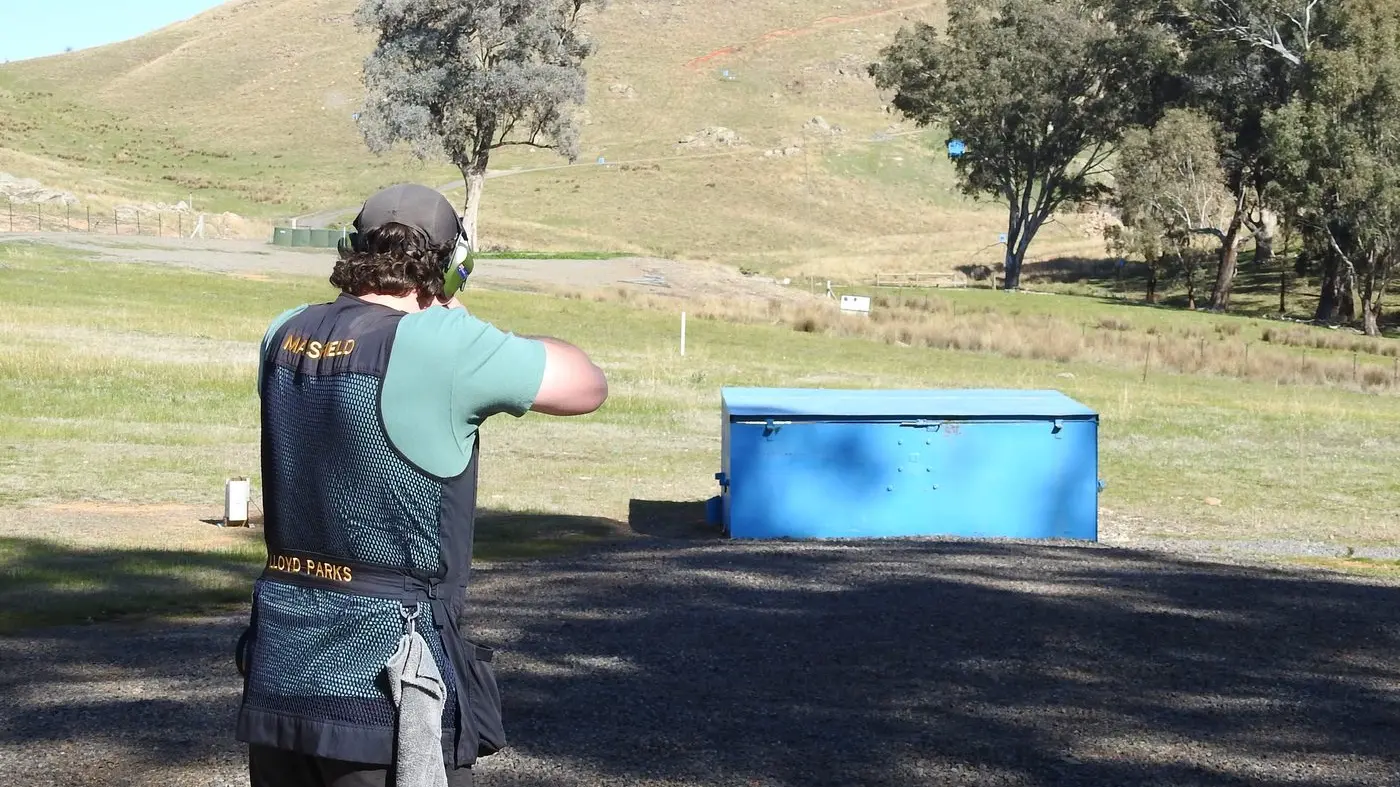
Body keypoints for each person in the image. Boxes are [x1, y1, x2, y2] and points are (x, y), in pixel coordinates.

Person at [234, 183, 608, 787]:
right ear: (451, 267)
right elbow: (587, 385)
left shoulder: (284, 331)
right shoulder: (442, 344)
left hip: (280, 673)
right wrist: (461, 321)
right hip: (385, 686)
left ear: (352, 249)